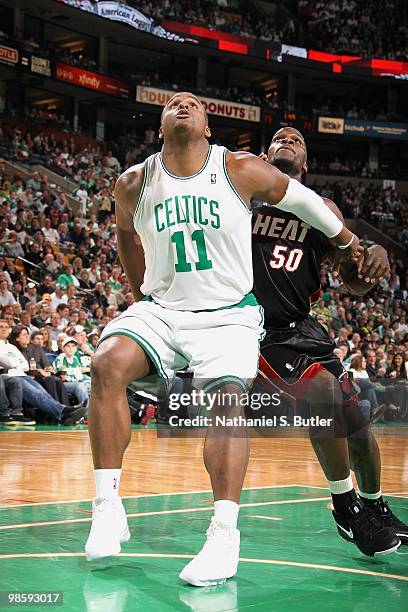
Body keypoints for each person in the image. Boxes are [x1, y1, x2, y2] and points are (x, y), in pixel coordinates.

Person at [84, 92, 363, 585]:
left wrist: (347, 241)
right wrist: (140, 293)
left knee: (229, 402)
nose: (183, 105)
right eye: (173, 103)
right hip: (163, 309)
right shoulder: (133, 182)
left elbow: (300, 199)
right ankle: (107, 508)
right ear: (161, 124)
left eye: (193, 103)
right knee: (107, 362)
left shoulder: (237, 168)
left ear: (209, 127)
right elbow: (125, 234)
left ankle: (224, 535)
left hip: (228, 317)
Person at [252, 126, 406, 556]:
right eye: (279, 137)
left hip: (303, 326)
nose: (286, 139)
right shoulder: (242, 192)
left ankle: (375, 507)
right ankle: (344, 505)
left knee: (357, 423)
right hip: (259, 327)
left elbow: (352, 279)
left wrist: (371, 261)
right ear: (264, 155)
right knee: (321, 395)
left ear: (306, 165)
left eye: (296, 140)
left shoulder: (322, 209)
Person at [0, 320, 85, 424]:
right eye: (1, 327)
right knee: (37, 393)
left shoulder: (11, 347)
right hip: (9, 375)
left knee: (44, 393)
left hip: (21, 374)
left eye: (5, 327)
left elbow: (24, 365)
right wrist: (15, 364)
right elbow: (8, 362)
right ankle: (63, 411)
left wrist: (15, 364)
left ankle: (62, 413)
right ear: (17, 337)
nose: (4, 329)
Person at [53, 337, 90, 410]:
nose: (71, 348)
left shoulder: (75, 359)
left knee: (93, 385)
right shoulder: (61, 358)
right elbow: (62, 373)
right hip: (63, 384)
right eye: (68, 346)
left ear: (76, 349)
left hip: (77, 382)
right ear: (63, 349)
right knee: (80, 386)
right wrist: (79, 370)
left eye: (73, 346)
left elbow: (80, 375)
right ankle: (84, 413)